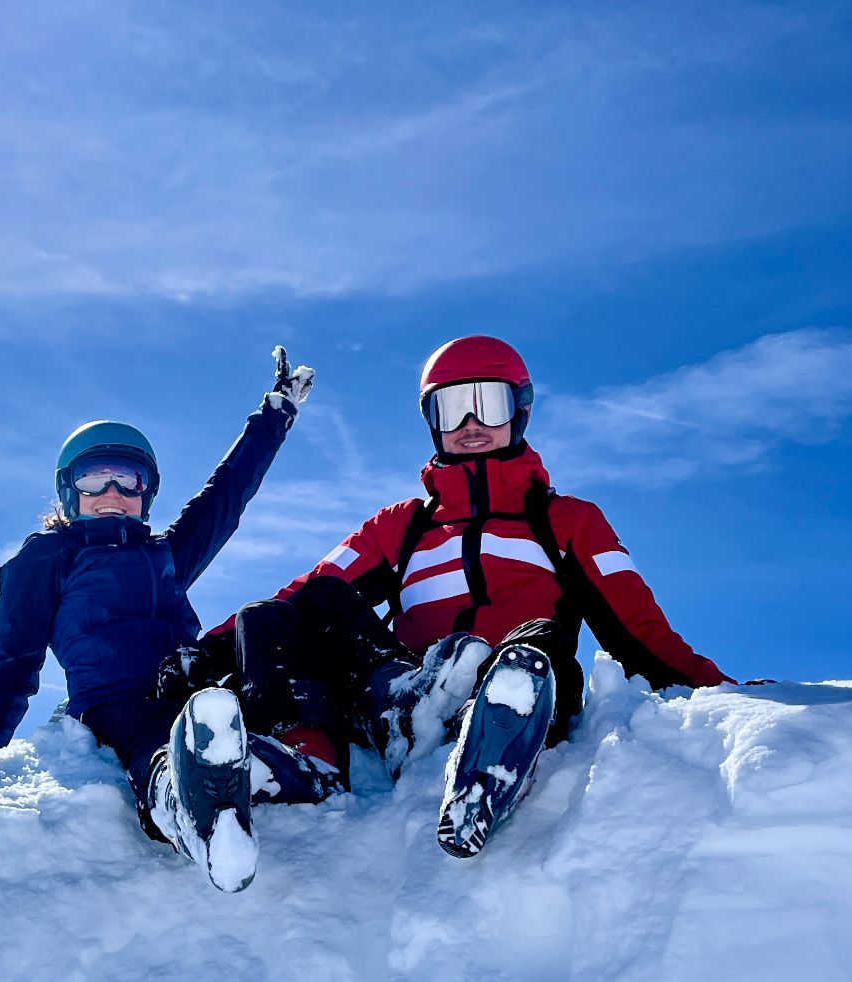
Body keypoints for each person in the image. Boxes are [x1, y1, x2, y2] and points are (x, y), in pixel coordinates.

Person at [172, 333, 730, 835]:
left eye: (487, 404)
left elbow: (638, 626)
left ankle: (494, 749)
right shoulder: (400, 525)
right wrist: (207, 651)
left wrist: (722, 689)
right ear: (432, 421)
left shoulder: (567, 521)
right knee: (275, 611)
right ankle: (312, 759)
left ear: (520, 411)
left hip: (519, 677)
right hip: (414, 689)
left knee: (539, 643)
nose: (470, 425)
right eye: (452, 408)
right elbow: (309, 589)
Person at [0, 351, 325, 890]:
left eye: (128, 480)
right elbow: (12, 671)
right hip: (114, 706)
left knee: (264, 648)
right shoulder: (47, 557)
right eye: (94, 479)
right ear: (68, 491)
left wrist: (275, 415)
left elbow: (227, 495)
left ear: (146, 493)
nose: (112, 494)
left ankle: (272, 771)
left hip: (194, 693)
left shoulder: (165, 555)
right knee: (151, 734)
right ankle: (180, 803)